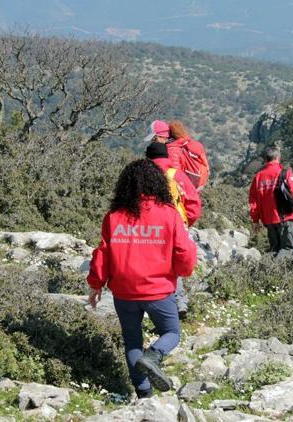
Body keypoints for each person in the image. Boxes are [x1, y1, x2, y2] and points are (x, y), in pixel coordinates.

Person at [87, 159, 197, 398]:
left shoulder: (114, 216)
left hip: (124, 292)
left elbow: (103, 253)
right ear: (157, 183)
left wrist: (96, 285)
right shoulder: (168, 214)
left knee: (132, 341)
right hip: (158, 290)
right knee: (172, 333)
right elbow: (184, 253)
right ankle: (154, 356)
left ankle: (143, 393)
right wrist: (182, 272)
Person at [145, 141, 201, 319]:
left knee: (154, 267)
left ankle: (161, 306)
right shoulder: (176, 174)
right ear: (166, 156)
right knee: (174, 266)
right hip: (175, 226)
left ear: (148, 157)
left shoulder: (142, 176)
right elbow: (193, 202)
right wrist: (186, 222)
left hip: (149, 227)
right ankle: (179, 303)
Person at [248, 147, 293, 255]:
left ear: (265, 159)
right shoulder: (285, 173)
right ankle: (275, 270)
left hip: (268, 220)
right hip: (285, 217)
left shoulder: (258, 177)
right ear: (277, 158)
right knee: (287, 249)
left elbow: (253, 202)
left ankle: (269, 269)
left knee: (274, 250)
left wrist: (255, 220)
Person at [167, 120, 210, 191]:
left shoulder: (173, 150)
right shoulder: (197, 144)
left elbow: (176, 174)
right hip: (201, 181)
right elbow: (206, 165)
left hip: (187, 185)